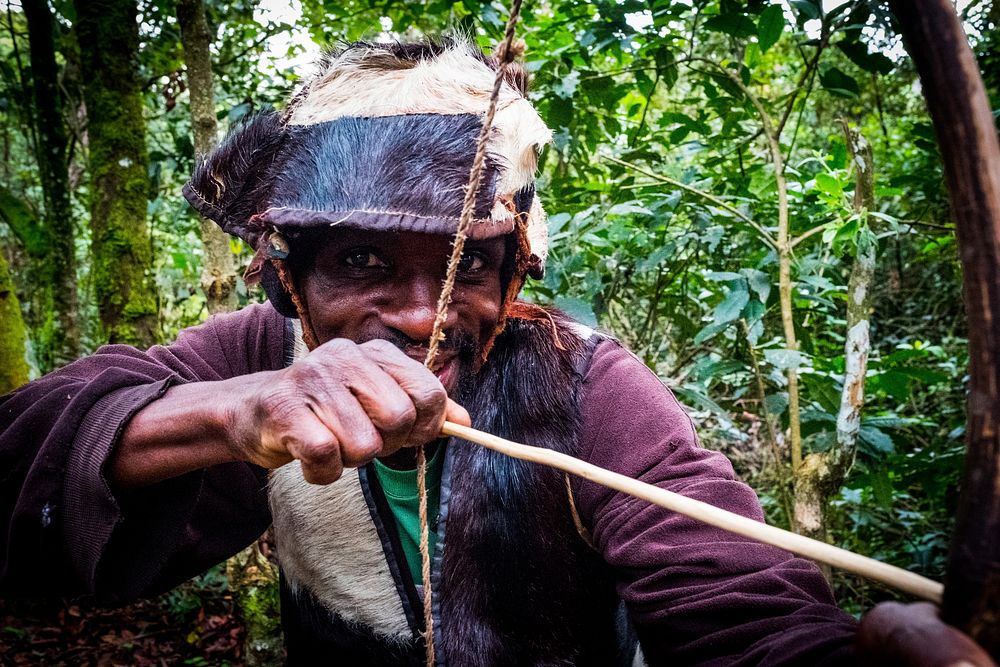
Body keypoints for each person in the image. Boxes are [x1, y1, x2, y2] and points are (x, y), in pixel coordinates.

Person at [0, 38, 994, 667]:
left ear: (516, 274)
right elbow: (24, 459)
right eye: (358, 258)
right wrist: (232, 410)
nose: (419, 315)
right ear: (288, 275)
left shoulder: (585, 389)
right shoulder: (261, 354)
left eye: (466, 263)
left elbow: (741, 609)